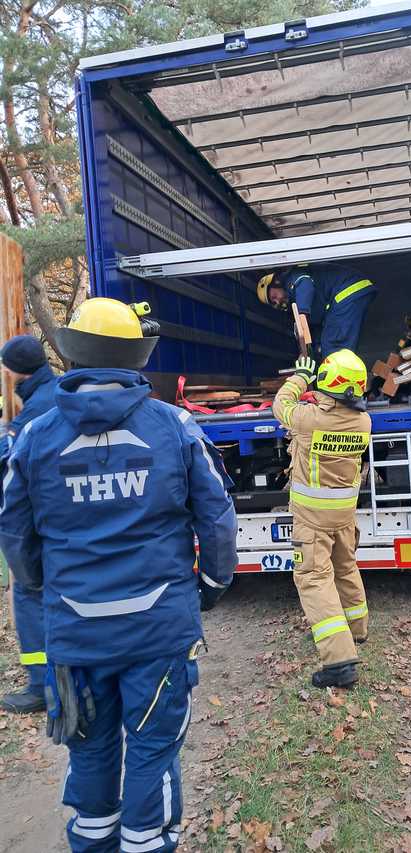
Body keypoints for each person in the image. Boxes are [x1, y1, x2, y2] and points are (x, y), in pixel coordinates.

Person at [0, 297, 237, 852]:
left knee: (90, 750)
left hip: (76, 638)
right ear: (134, 356)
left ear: (75, 353)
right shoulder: (172, 426)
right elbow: (218, 517)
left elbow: (14, 530)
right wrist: (213, 583)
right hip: (158, 635)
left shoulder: (34, 436)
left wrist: (41, 587)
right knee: (154, 750)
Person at [272, 348, 371, 688]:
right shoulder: (363, 421)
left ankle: (339, 662)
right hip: (343, 517)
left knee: (314, 579)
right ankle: (357, 630)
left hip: (312, 520)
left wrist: (301, 376)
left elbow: (280, 406)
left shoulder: (309, 419)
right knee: (345, 569)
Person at [0, 334, 56, 714]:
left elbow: (14, 465)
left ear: (16, 369)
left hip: (39, 519)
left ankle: (40, 685)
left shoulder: (33, 412)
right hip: (60, 516)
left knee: (29, 592)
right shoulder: (54, 391)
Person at [256, 263, 377, 359]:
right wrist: (312, 350)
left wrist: (302, 316)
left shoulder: (292, 279)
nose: (277, 302)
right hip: (350, 294)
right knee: (330, 344)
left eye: (274, 297)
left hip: (347, 291)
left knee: (334, 345)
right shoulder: (295, 300)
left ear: (276, 283)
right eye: (273, 303)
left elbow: (305, 284)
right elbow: (320, 327)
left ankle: (338, 386)